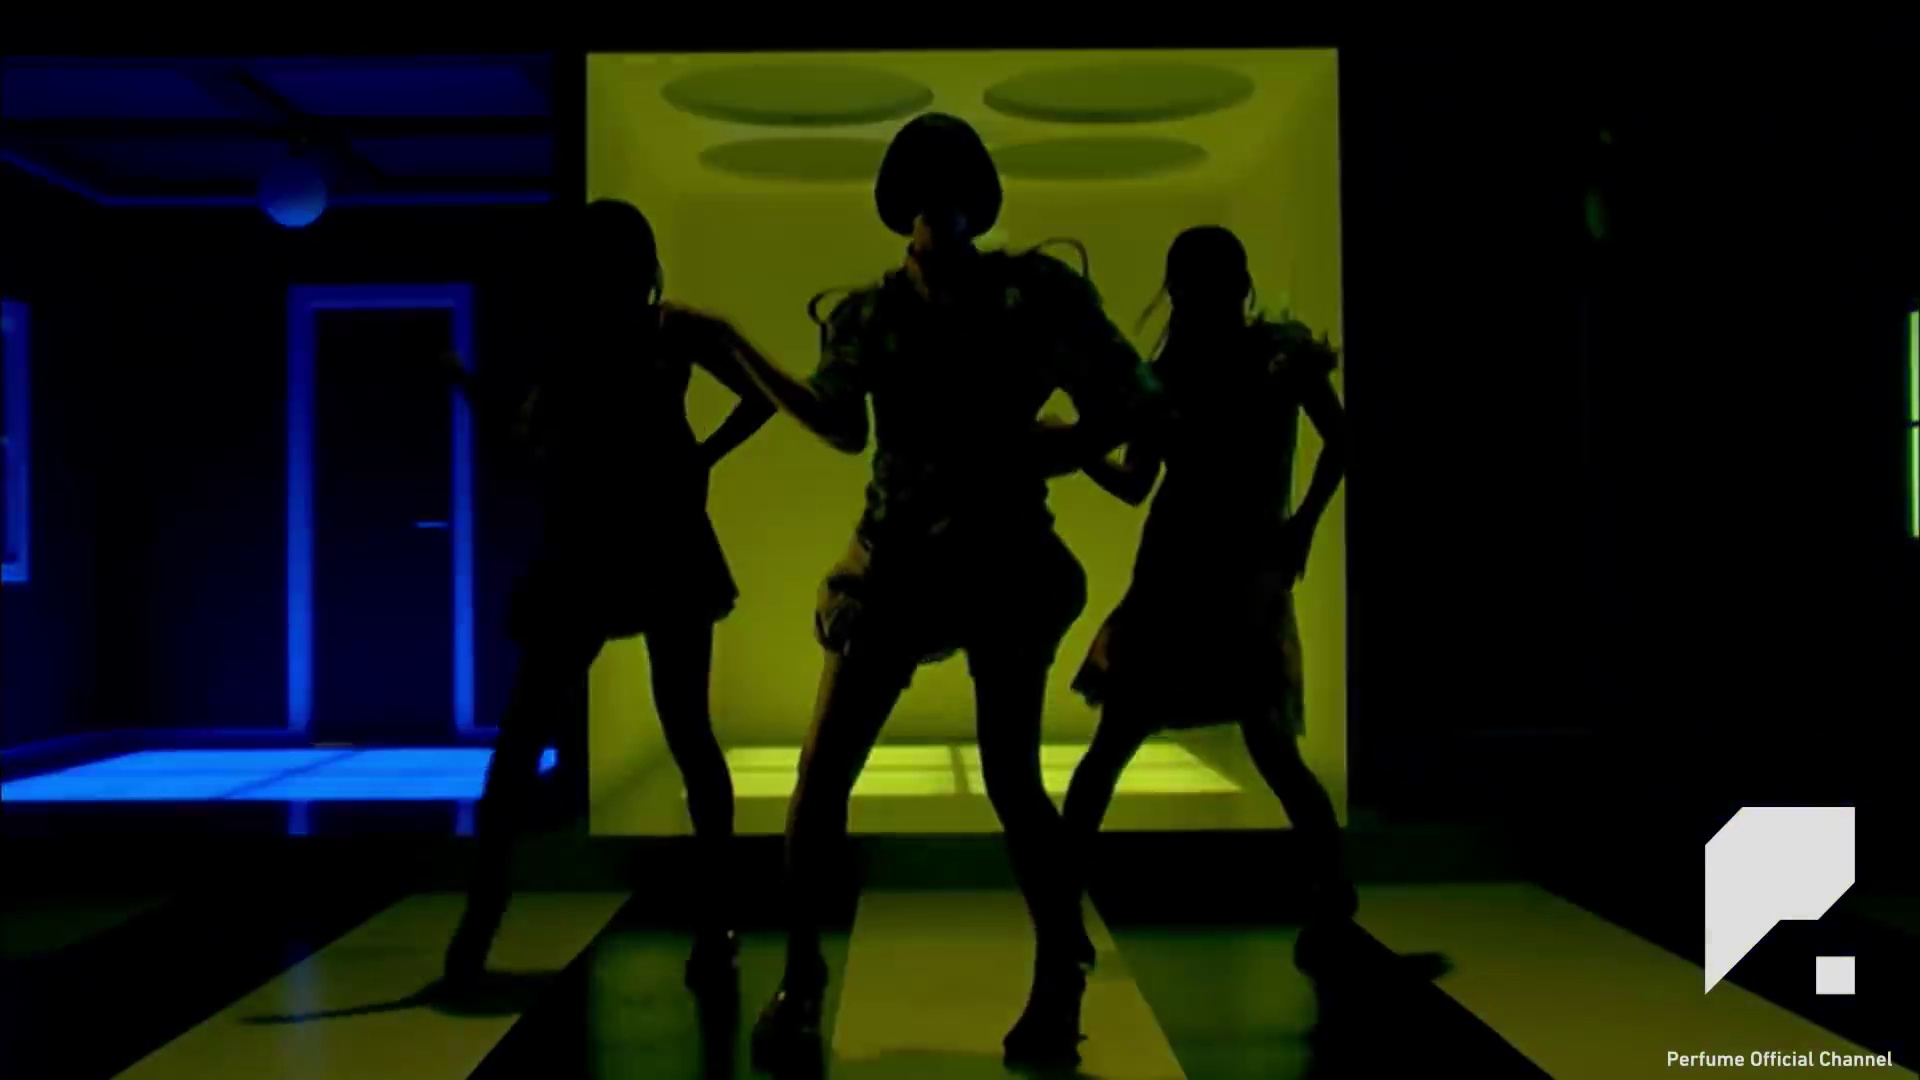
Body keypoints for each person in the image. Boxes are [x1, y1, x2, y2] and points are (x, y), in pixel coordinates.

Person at [686, 113, 1157, 1071]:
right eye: (927, 195)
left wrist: (1046, 448)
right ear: (903, 204)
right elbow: (840, 422)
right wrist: (731, 344)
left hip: (996, 562)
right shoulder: (885, 311)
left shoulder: (1030, 293)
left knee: (997, 780)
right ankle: (806, 980)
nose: (940, 215)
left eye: (954, 194)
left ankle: (1049, 975)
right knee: (831, 779)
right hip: (903, 563)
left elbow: (1132, 400)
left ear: (973, 201)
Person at [440, 198, 775, 993]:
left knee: (536, 743)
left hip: (603, 545)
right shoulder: (653, 332)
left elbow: (530, 441)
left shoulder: (599, 337)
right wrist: (700, 458)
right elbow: (760, 396)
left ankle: (482, 927)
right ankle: (714, 924)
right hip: (639, 544)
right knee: (680, 734)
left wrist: (699, 458)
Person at [1060, 225, 1356, 941]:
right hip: (1221, 571)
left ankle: (1059, 893)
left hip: (1198, 571)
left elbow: (1133, 484)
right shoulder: (1266, 358)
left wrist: (1074, 446)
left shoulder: (1185, 370)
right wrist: (1301, 525)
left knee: (1120, 742)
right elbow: (1341, 440)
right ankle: (1332, 895)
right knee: (1265, 745)